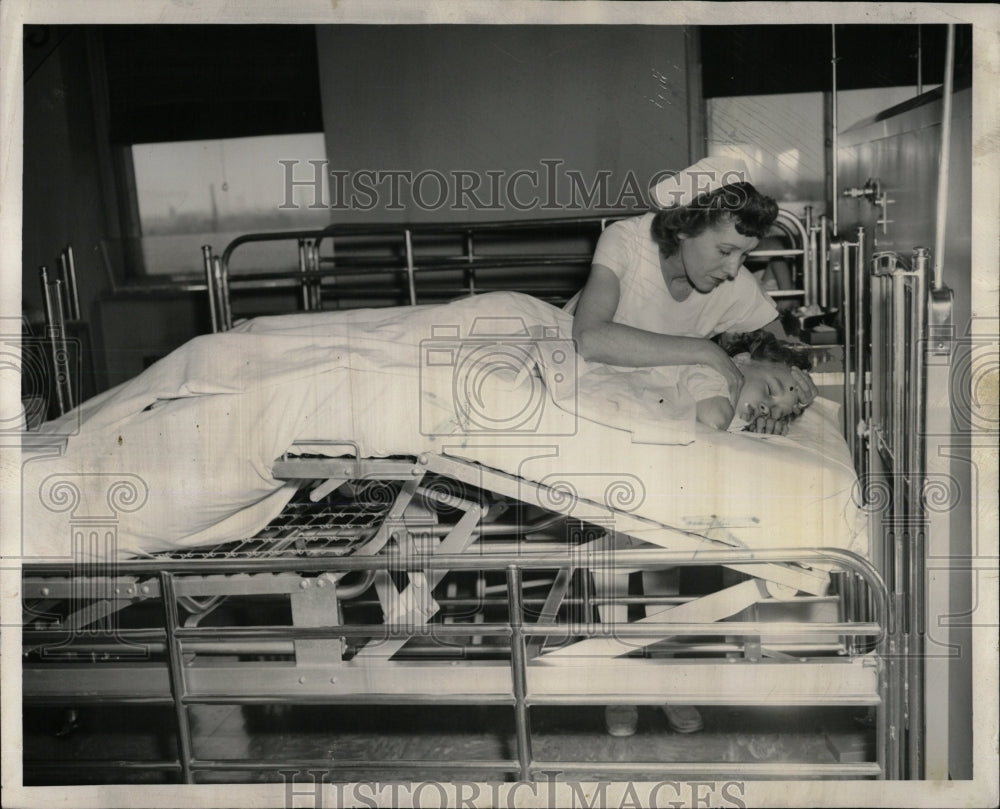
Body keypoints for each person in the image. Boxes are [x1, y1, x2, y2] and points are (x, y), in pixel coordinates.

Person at [571, 156, 818, 736]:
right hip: (591, 394)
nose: (734, 270)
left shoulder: (732, 280)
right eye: (725, 251)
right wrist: (706, 352)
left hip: (663, 408)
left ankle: (666, 671)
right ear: (683, 226)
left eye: (744, 255)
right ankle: (619, 679)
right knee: (613, 544)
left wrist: (785, 389)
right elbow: (591, 335)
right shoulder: (626, 243)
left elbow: (781, 345)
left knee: (670, 541)